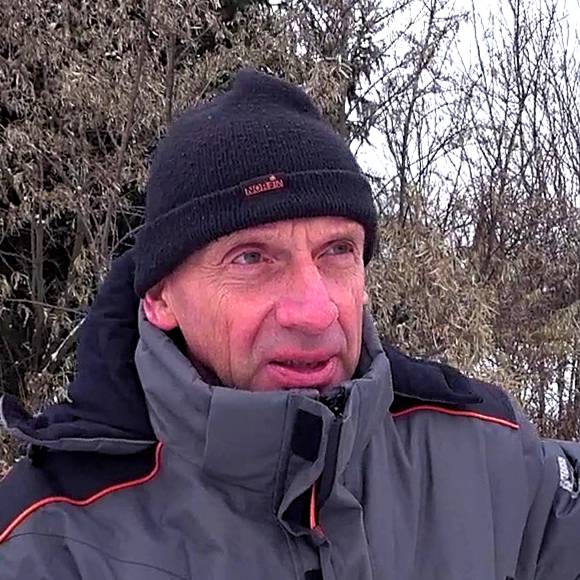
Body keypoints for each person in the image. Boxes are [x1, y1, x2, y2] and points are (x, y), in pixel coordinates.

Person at [0, 69, 578, 580]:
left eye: (337, 251)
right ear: (159, 297)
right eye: (251, 257)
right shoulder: (45, 542)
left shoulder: (485, 458)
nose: (315, 311)